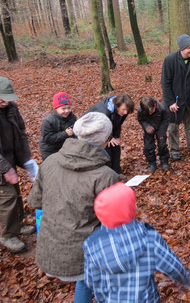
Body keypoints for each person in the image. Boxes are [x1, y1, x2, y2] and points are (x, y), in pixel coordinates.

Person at [28, 112, 120, 303]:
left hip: (49, 249)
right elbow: (115, 223)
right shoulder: (105, 176)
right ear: (105, 139)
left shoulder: (50, 162)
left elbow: (36, 202)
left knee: (87, 279)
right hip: (83, 255)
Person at [83, 182, 190, 302]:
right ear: (130, 209)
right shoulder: (149, 238)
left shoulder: (92, 245)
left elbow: (91, 280)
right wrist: (186, 279)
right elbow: (171, 266)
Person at [0, 76, 38, 253]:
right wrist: (5, 168)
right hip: (2, 163)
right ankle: (6, 234)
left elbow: (21, 133)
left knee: (15, 194)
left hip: (9, 157)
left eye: (7, 97)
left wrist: (26, 160)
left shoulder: (12, 109)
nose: (4, 101)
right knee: (7, 198)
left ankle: (18, 224)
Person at [161, 34, 190, 161]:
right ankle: (174, 150)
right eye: (188, 48)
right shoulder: (169, 60)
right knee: (173, 127)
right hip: (174, 101)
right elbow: (165, 83)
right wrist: (170, 102)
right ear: (181, 49)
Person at [85, 94, 134, 174]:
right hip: (92, 133)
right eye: (123, 110)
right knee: (106, 152)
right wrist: (110, 138)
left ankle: (117, 174)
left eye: (127, 110)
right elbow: (98, 128)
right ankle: (108, 175)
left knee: (116, 147)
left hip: (106, 131)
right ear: (116, 105)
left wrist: (116, 136)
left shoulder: (123, 111)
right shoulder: (103, 112)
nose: (125, 112)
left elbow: (118, 123)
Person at [39, 92, 77, 160]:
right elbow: (48, 138)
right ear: (56, 108)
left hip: (65, 147)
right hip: (49, 150)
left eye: (69, 108)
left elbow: (75, 132)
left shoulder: (72, 118)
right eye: (63, 109)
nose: (67, 111)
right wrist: (65, 134)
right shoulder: (48, 121)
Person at [137, 97, 170, 172]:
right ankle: (152, 163)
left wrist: (162, 132)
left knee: (162, 145)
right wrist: (146, 126)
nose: (150, 113)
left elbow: (166, 120)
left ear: (154, 106)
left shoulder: (161, 108)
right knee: (148, 146)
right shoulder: (140, 110)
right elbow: (141, 119)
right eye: (148, 112)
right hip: (149, 129)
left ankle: (164, 161)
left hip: (160, 127)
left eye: (151, 111)